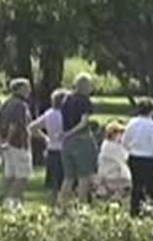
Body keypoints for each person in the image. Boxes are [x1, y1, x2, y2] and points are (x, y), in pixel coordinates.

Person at [57, 74, 99, 207]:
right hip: (81, 140)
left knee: (68, 177)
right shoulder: (84, 100)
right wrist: (70, 133)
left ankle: (62, 206)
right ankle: (82, 206)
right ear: (86, 86)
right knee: (83, 177)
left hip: (67, 144)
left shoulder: (66, 99)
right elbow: (83, 122)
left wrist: (65, 134)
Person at [0, 78, 33, 210]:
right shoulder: (19, 105)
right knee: (23, 177)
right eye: (27, 88)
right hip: (19, 144)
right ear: (20, 89)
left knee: (9, 176)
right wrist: (9, 140)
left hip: (8, 146)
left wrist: (2, 142)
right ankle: (11, 205)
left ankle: (0, 200)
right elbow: (14, 125)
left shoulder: (5, 103)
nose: (29, 90)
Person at [123, 97, 153, 216]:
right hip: (149, 159)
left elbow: (125, 141)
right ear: (151, 111)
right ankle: (147, 209)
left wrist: (129, 149)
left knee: (136, 185)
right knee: (151, 187)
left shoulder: (132, 123)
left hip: (135, 157)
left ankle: (134, 210)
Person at [28, 89, 68, 200]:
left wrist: (45, 138)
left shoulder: (49, 113)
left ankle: (54, 202)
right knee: (66, 180)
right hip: (64, 149)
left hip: (51, 148)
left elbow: (32, 127)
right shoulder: (65, 115)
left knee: (54, 183)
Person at [96, 121, 133, 202]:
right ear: (114, 134)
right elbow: (125, 157)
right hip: (114, 176)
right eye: (121, 134)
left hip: (105, 174)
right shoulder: (114, 147)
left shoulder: (105, 144)